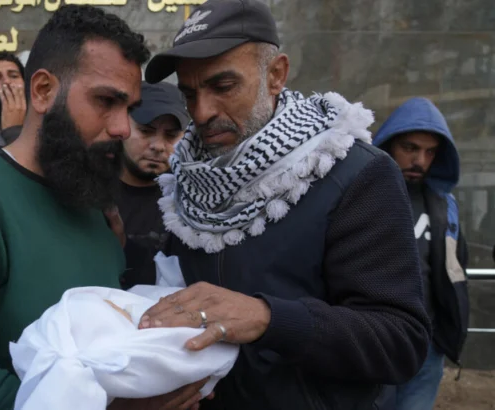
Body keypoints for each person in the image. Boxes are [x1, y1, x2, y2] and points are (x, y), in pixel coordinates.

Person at [0, 5, 209, 410]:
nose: (121, 128)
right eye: (105, 101)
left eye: (128, 109)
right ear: (42, 91)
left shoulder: (90, 202)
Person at [137, 0, 431, 409]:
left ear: (275, 75)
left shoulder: (355, 174)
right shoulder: (185, 183)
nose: (201, 113)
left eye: (223, 87)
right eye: (189, 93)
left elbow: (400, 341)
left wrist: (267, 318)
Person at [373, 97, 469, 410]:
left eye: (430, 152)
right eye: (410, 148)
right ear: (388, 143)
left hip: (427, 345)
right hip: (373, 339)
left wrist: (447, 333)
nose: (420, 160)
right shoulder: (361, 196)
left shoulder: (444, 204)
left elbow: (456, 266)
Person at [117, 81, 189, 290]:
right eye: (146, 131)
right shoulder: (89, 191)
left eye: (171, 135)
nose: (158, 146)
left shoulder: (191, 202)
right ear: (123, 126)